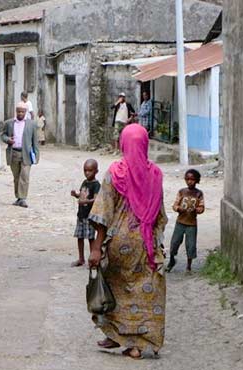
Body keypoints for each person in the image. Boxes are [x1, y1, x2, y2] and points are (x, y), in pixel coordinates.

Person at [88, 124, 167, 360]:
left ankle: (121, 336)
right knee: (145, 291)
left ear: (123, 144)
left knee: (116, 288)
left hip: (119, 243)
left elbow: (103, 214)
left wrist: (95, 248)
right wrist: (157, 244)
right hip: (145, 243)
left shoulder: (115, 172)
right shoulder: (155, 175)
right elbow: (159, 215)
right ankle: (135, 343)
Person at [1, 102, 40, 208]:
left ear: (25, 112)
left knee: (25, 176)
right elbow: (3, 135)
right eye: (18, 111)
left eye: (22, 112)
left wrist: (36, 156)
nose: (20, 113)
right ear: (16, 111)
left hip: (26, 154)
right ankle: (18, 197)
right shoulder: (9, 123)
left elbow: (35, 141)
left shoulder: (31, 124)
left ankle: (23, 198)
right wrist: (8, 139)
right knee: (16, 176)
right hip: (13, 153)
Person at [166, 169, 205, 273]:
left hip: (192, 224)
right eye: (187, 179)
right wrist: (178, 209)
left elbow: (202, 207)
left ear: (197, 180)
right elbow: (175, 205)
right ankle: (171, 260)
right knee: (174, 243)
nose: (189, 181)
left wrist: (198, 210)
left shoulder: (199, 193)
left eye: (192, 179)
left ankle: (188, 266)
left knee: (191, 245)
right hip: (180, 222)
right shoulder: (181, 191)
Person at [70, 159, 100, 267]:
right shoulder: (84, 182)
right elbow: (83, 195)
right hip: (81, 215)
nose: (87, 173)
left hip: (89, 216)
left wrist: (85, 201)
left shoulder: (96, 185)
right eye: (85, 170)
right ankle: (81, 258)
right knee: (80, 237)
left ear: (96, 171)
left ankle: (92, 259)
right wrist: (76, 195)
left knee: (91, 238)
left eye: (90, 171)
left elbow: (96, 199)